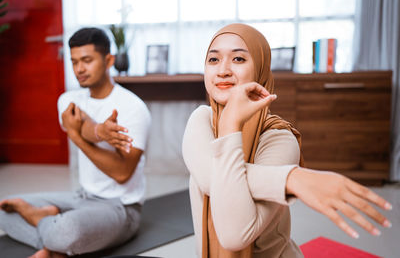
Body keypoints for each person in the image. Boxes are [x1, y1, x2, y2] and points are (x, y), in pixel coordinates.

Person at [182, 23, 392, 258]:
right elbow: (215, 180)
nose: (222, 70)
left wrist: (230, 125)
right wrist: (292, 179)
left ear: (260, 69)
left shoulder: (279, 138)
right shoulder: (201, 120)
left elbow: (234, 235)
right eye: (213, 60)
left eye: (238, 59)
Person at [0, 27, 151, 258]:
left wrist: (74, 136)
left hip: (121, 208)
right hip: (82, 197)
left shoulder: (133, 108)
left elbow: (122, 172)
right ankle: (55, 247)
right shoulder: (68, 99)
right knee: (4, 210)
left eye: (87, 60)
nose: (79, 69)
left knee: (67, 230)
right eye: (74, 61)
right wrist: (100, 130)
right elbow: (86, 126)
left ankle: (51, 237)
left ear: (108, 60)